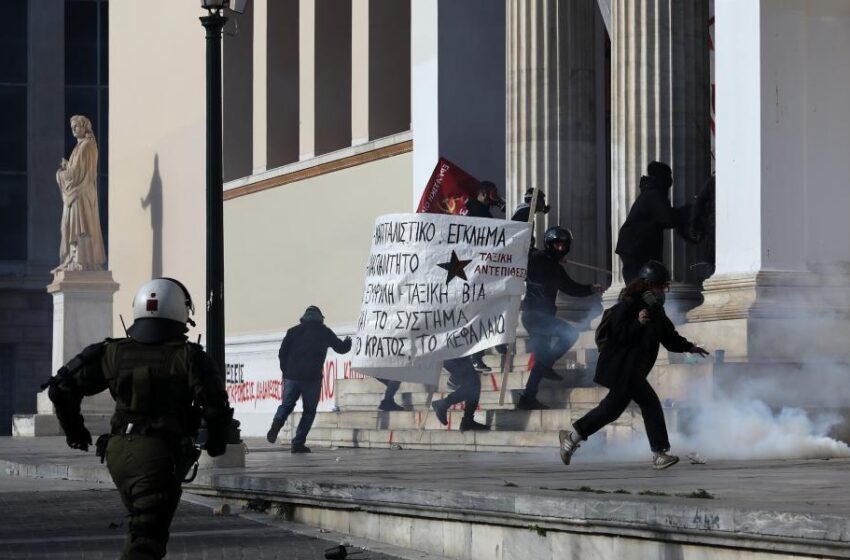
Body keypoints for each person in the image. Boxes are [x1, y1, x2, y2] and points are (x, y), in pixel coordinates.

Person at [46, 277, 233, 560]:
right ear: (182, 313)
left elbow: (60, 387)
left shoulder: (111, 352)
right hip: (158, 454)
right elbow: (216, 406)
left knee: (143, 529)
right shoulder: (190, 357)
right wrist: (216, 443)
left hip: (118, 451)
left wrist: (76, 431)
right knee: (146, 541)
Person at [558, 260, 709, 470]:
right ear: (647, 285)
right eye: (659, 286)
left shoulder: (656, 310)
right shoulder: (627, 306)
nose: (662, 291)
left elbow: (668, 337)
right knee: (650, 403)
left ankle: (571, 438)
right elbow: (617, 337)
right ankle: (659, 453)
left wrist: (690, 347)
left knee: (610, 410)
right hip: (621, 367)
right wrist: (637, 323)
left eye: (664, 286)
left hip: (634, 370)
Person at [517, 226, 603, 410]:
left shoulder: (556, 268)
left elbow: (570, 287)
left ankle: (527, 397)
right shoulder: (537, 259)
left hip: (544, 317)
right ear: (549, 244)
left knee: (541, 360)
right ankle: (547, 364)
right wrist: (527, 247)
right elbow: (524, 262)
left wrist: (590, 289)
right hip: (535, 316)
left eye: (563, 245)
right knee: (570, 334)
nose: (560, 248)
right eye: (556, 245)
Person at [266, 305, 352, 452]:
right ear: (320, 318)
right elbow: (340, 348)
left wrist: (286, 371)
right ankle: (297, 443)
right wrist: (348, 343)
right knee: (309, 411)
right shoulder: (324, 332)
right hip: (312, 378)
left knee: (286, 405)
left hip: (292, 376)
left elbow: (282, 353)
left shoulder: (293, 331)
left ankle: (276, 425)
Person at [615, 161, 689, 283]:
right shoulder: (653, 195)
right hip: (637, 249)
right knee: (639, 286)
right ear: (661, 178)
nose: (670, 181)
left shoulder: (651, 193)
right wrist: (688, 211)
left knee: (640, 284)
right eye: (668, 176)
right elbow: (668, 218)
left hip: (635, 248)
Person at [54, 114, 106, 272]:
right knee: (72, 227)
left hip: (79, 194)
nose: (74, 130)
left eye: (77, 126)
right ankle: (74, 259)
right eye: (72, 127)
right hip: (78, 194)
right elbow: (76, 169)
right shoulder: (83, 146)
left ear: (85, 127)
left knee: (78, 227)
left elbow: (75, 174)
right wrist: (68, 166)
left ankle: (81, 261)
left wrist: (61, 173)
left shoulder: (85, 146)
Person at [431, 356, 488, 432]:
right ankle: (443, 404)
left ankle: (467, 420)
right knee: (473, 384)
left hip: (456, 353)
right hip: (452, 353)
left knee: (473, 384)